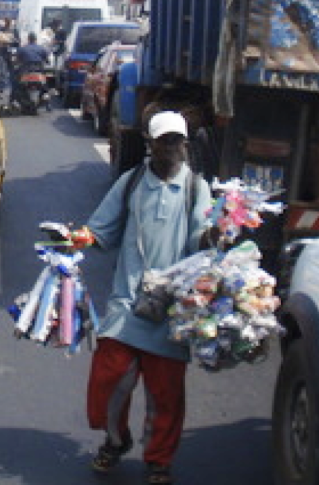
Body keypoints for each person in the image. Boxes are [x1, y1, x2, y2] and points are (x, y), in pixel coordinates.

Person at [78, 111, 216, 485]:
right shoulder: (132, 181)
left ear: (185, 144)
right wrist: (71, 241)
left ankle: (159, 460)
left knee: (166, 394)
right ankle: (116, 439)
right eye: (164, 140)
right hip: (127, 303)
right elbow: (100, 229)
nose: (171, 147)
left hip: (171, 308)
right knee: (107, 382)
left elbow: (200, 237)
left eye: (177, 140)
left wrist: (213, 238)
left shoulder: (195, 188)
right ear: (149, 143)